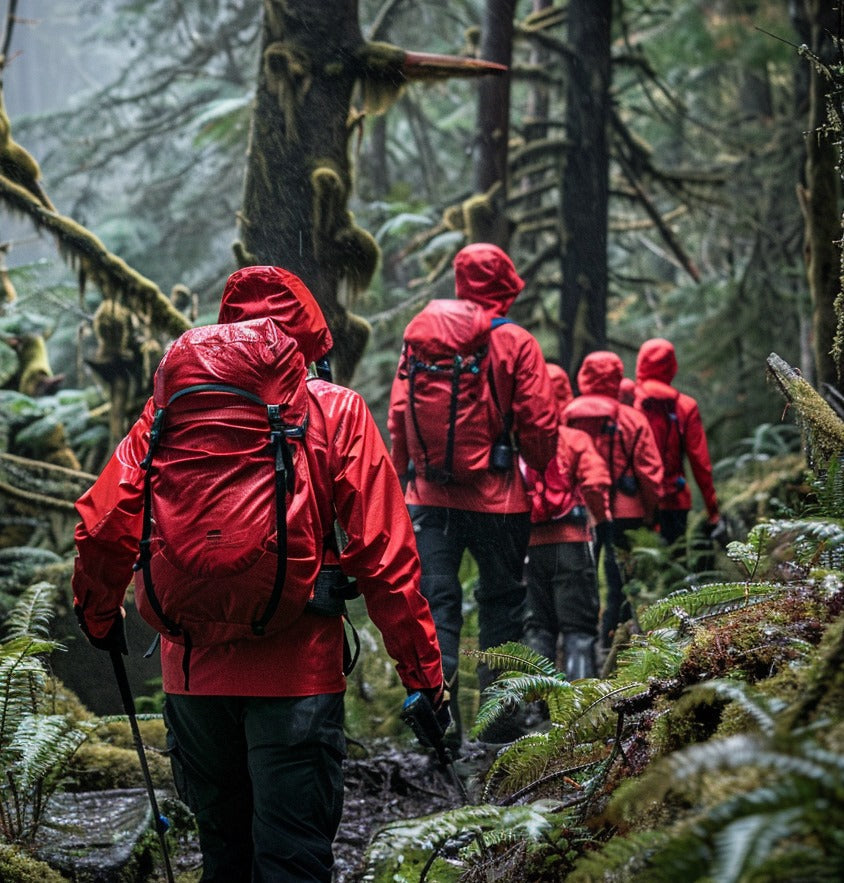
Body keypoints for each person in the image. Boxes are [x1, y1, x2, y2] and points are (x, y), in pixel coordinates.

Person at [72, 265, 446, 883]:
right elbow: (386, 557)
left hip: (191, 676)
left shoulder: (168, 413)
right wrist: (423, 677)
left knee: (223, 855)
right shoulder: (334, 410)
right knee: (293, 856)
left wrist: (97, 615)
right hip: (296, 673)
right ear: (312, 339)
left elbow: (103, 522)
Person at [388, 242, 558, 746]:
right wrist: (536, 461)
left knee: (435, 609)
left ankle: (440, 731)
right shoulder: (516, 342)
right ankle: (498, 726)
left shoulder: (420, 338)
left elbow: (399, 416)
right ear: (506, 285)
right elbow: (540, 425)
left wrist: (404, 481)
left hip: (428, 498)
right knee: (502, 605)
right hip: (499, 502)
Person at [562, 350, 663, 649]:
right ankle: (614, 638)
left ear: (584, 376)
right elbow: (649, 473)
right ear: (617, 378)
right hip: (626, 510)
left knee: (582, 574)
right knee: (620, 578)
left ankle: (582, 639)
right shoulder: (633, 419)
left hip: (580, 511)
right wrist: (650, 511)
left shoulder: (567, 415)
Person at [521, 363, 612, 680]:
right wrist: (601, 521)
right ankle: (581, 708)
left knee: (538, 628)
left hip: (528, 548)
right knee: (578, 628)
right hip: (572, 544)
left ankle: (536, 710)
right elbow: (595, 483)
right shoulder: (574, 440)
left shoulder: (519, 442)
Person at [634, 337, 724, 546]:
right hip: (675, 500)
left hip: (637, 501)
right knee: (675, 566)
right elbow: (700, 463)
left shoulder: (630, 403)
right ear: (672, 366)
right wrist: (712, 510)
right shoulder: (685, 406)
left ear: (641, 364)